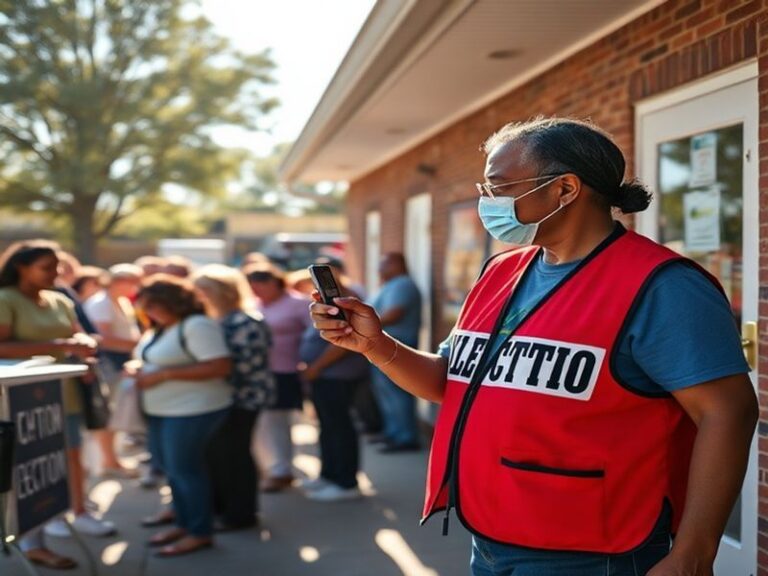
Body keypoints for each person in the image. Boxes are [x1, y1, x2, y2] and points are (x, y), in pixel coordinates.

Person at [309, 117, 758, 575]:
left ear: (565, 189)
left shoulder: (663, 286)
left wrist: (694, 552)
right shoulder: (499, 272)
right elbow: (453, 382)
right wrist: (375, 344)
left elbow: (728, 412)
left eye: (498, 187)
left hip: (596, 551)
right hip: (488, 536)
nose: (488, 202)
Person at [0, 241, 115, 570]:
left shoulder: (60, 299)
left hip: (64, 393)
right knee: (30, 466)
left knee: (71, 456)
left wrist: (84, 347)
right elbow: (2, 345)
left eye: (57, 267)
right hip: (20, 399)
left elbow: (80, 336)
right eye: (46, 267)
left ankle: (76, 512)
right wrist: (60, 346)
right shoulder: (6, 299)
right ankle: (33, 540)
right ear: (22, 267)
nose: (55, 274)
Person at [130, 275, 231, 557]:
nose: (148, 312)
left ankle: (200, 532)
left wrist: (163, 375)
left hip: (192, 409)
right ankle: (184, 523)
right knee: (172, 469)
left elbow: (219, 366)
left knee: (186, 470)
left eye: (153, 306)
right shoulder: (162, 328)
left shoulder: (197, 325)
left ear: (172, 303)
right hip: (162, 409)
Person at [192, 265, 275, 530]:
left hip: (242, 399)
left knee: (235, 455)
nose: (198, 295)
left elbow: (244, 367)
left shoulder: (246, 321)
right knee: (219, 454)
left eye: (203, 290)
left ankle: (240, 514)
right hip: (223, 398)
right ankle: (223, 508)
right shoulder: (218, 320)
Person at [298, 267, 369, 502]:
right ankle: (329, 474)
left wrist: (316, 367)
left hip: (337, 374)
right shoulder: (330, 300)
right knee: (328, 426)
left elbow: (342, 342)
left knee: (339, 426)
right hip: (325, 375)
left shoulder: (345, 301)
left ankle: (346, 481)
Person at [245, 263, 312, 492]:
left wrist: (309, 364)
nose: (258, 291)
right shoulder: (253, 305)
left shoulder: (299, 304)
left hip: (286, 370)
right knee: (261, 422)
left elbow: (315, 337)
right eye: (253, 287)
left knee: (278, 421)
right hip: (258, 372)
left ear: (276, 283)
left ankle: (282, 469)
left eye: (262, 286)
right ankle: (269, 465)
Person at [83, 263, 143, 478]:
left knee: (114, 412)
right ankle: (109, 461)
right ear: (118, 281)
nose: (137, 286)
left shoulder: (121, 302)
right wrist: (136, 345)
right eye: (133, 281)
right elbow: (104, 339)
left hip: (119, 363)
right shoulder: (102, 304)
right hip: (108, 364)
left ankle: (111, 459)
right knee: (107, 413)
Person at [368, 252, 422, 452]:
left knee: (397, 393)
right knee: (386, 394)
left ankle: (405, 437)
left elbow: (394, 313)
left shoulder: (402, 284)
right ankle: (393, 433)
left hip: (398, 347)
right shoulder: (389, 285)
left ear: (397, 264)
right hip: (382, 347)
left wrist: (363, 326)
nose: (379, 269)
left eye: (384, 264)